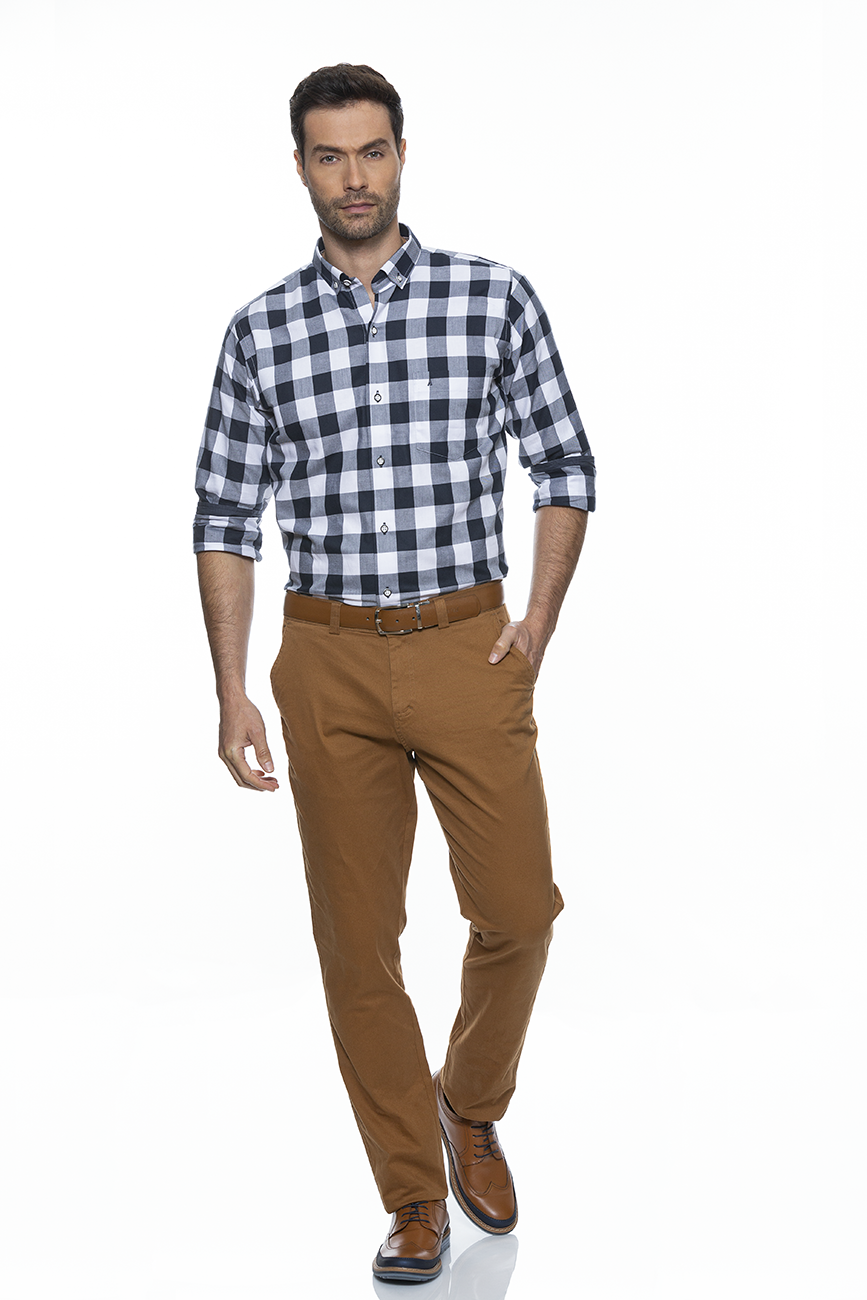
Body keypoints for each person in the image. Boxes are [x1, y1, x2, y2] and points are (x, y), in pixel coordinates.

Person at [193, 63, 595, 1285]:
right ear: (301, 168)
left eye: (372, 151)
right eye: (330, 156)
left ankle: (468, 1100)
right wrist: (232, 687)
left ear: (403, 154)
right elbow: (224, 517)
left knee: (519, 907)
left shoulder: (491, 296)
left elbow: (566, 465)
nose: (354, 177)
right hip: (325, 657)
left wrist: (536, 622)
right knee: (358, 942)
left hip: (468, 641)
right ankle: (413, 1194)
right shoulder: (261, 330)